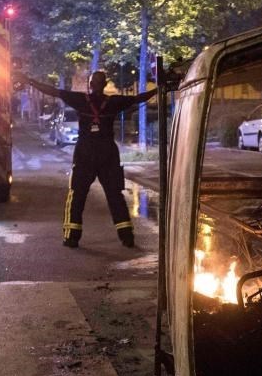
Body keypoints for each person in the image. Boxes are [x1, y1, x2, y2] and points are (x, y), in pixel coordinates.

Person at [14, 69, 156, 248]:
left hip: (85, 153)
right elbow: (139, 98)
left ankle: (72, 237)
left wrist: (29, 80)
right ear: (105, 85)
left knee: (77, 195)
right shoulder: (114, 102)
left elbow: (53, 91)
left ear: (90, 85)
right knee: (115, 196)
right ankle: (127, 237)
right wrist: (159, 89)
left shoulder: (80, 100)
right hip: (108, 153)